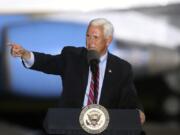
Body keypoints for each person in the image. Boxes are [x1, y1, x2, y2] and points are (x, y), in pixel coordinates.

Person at [9, 18, 145, 124]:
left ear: (108, 40)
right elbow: (47, 62)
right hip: (71, 126)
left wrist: (138, 112)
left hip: (105, 127)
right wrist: (25, 54)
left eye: (95, 37)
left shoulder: (121, 68)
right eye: (88, 36)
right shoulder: (72, 57)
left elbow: (129, 97)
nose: (90, 42)